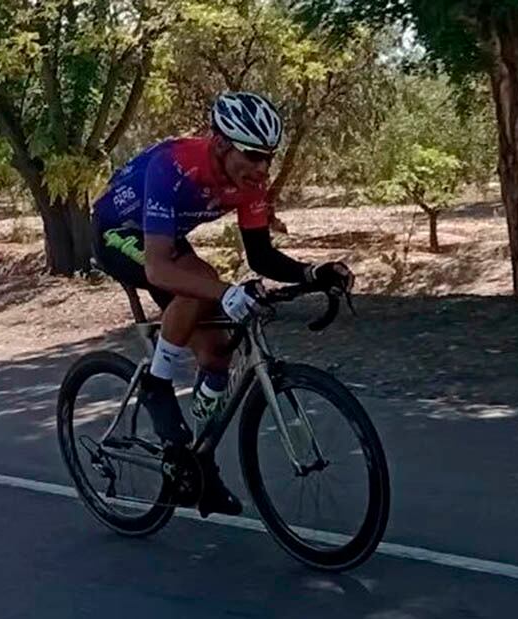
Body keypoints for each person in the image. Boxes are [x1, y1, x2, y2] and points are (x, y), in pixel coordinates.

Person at [90, 91, 354, 518]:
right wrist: (228, 292)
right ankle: (157, 384)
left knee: (216, 354)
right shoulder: (174, 165)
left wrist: (311, 272)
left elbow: (261, 257)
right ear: (220, 144)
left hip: (165, 238)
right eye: (252, 155)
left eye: (268, 157)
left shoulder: (251, 185)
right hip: (117, 233)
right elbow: (158, 269)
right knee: (204, 282)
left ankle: (197, 464)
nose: (262, 168)